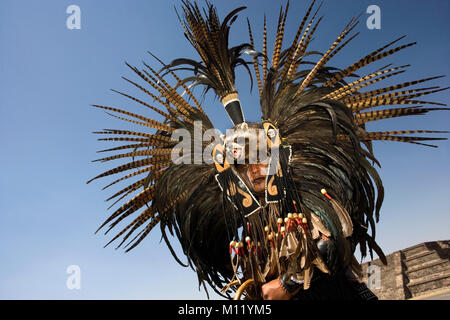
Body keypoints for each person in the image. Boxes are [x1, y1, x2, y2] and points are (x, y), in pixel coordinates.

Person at [89, 1, 447, 300]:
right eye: (243, 164)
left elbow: (334, 237)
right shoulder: (238, 213)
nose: (253, 168)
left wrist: (287, 285)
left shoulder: (304, 195)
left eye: (258, 158)